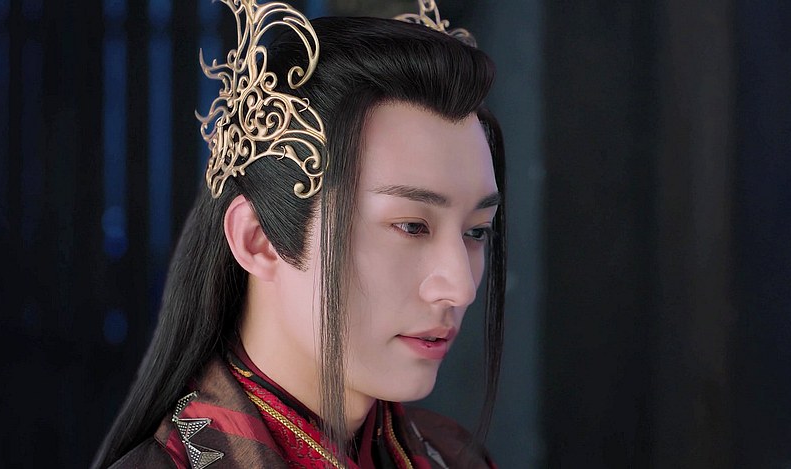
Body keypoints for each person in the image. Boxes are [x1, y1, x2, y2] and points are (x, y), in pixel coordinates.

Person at [91, 0, 507, 467]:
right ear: (258, 239)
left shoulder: (454, 456)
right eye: (411, 226)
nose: (461, 287)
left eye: (476, 231)